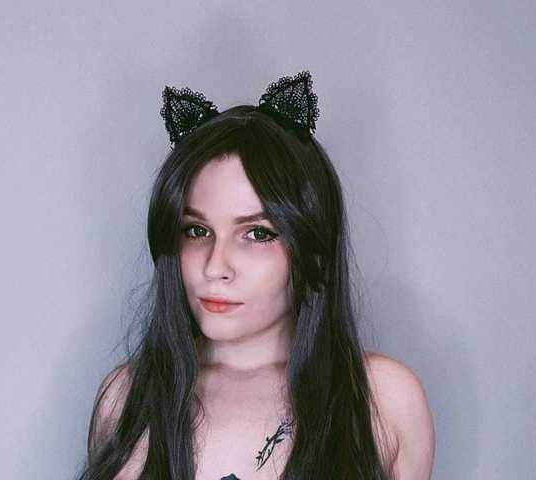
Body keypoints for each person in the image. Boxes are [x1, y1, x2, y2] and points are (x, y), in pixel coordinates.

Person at [76, 71, 435, 480]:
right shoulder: (125, 399)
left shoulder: (382, 399)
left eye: (257, 234)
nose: (215, 266)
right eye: (197, 231)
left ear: (312, 244)